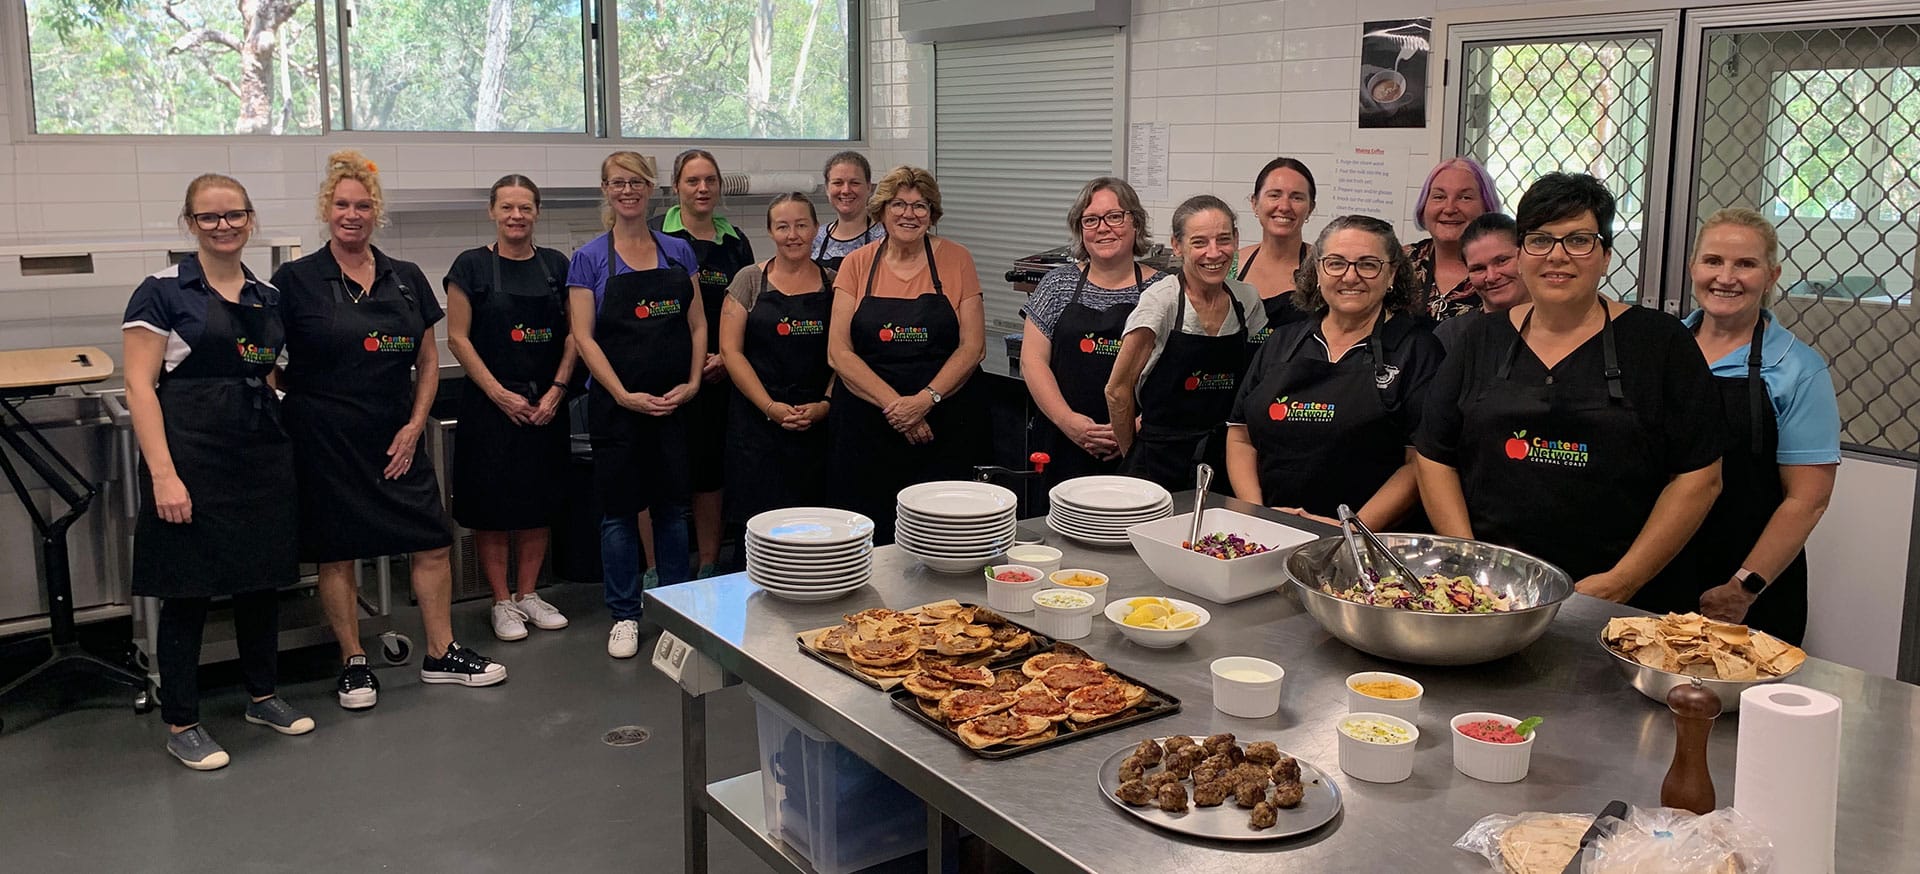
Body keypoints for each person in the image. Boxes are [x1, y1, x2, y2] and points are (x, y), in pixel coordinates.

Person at [1415, 172, 1725, 610]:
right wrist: (1472, 559)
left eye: (1578, 240)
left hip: (1624, 600)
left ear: (1606, 255)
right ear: (1521, 254)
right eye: (1540, 240)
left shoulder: (1660, 342)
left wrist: (1623, 580)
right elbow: (1434, 455)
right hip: (1493, 595)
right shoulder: (1480, 339)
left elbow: (1699, 477)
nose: (1557, 257)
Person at [273, 151, 506, 708]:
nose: (351, 214)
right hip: (327, 439)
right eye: (341, 205)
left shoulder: (405, 279)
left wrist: (414, 424)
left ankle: (441, 651)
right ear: (326, 210)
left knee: (431, 540)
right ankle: (353, 661)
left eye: (361, 206)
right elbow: (262, 353)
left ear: (375, 213)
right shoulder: (296, 280)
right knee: (338, 553)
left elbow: (427, 361)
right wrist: (295, 395)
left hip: (396, 434)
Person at [123, 174, 311, 768]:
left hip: (258, 455)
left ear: (250, 219)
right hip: (191, 456)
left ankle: (263, 696)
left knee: (261, 581)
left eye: (234, 215)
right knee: (189, 592)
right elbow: (139, 385)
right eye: (209, 218)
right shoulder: (162, 291)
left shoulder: (267, 296)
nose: (223, 226)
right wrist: (164, 475)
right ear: (190, 225)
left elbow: (271, 372)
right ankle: (182, 721)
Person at [568, 151, 705, 660]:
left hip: (672, 406)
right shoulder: (589, 259)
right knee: (620, 515)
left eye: (637, 183)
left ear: (652, 190)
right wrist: (623, 394)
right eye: (617, 183)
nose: (628, 191)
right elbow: (583, 337)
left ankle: (678, 610)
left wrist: (691, 383)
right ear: (605, 190)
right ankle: (625, 614)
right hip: (617, 410)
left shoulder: (677, 253)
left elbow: (695, 324)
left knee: (672, 510)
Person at [1681, 208, 1840, 645]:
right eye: (1713, 261)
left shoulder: (1798, 368)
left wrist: (1742, 588)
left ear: (1771, 276)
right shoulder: (1666, 350)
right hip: (1661, 570)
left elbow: (1807, 501)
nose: (1726, 277)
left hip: (1750, 588)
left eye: (1745, 264)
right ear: (1694, 267)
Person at [1225, 215, 1442, 529]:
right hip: (1272, 532)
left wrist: (1351, 531)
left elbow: (1417, 464)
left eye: (1368, 264)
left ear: (1392, 273)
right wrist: (1259, 515)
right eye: (1336, 263)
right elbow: (1240, 436)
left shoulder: (1418, 351)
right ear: (1317, 272)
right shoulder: (1282, 342)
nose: (1350, 277)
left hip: (1366, 544)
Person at [444, 175, 576, 642]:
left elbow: (575, 334)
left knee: (538, 503)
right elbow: (457, 336)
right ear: (492, 212)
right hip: (491, 406)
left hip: (545, 403)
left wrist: (558, 390)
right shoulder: (472, 267)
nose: (516, 216)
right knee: (493, 506)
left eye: (525, 207)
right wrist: (500, 394)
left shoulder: (557, 266)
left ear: (537, 212)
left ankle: (528, 594)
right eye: (507, 207)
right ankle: (500, 600)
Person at [826, 166, 987, 545]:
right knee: (868, 534)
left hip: (946, 423)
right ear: (881, 210)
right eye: (899, 204)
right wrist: (900, 408)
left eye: (920, 206)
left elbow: (972, 346)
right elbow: (838, 352)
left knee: (944, 533)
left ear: (932, 214)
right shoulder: (856, 264)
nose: (909, 214)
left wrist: (925, 400)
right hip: (867, 426)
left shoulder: (957, 259)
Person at [1105, 195, 1268, 493]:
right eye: (1199, 242)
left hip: (1224, 459)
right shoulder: (1161, 302)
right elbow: (1117, 390)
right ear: (1177, 246)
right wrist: (1134, 453)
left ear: (1236, 240)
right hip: (1160, 462)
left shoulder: (1247, 300)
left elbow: (1257, 383)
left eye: (1224, 240)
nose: (1214, 253)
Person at [1020, 177, 1163, 495]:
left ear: (1135, 223)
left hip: (1137, 447)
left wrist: (1132, 427)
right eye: (1091, 220)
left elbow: (1173, 374)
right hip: (1063, 441)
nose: (1103, 228)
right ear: (1080, 229)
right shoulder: (1057, 285)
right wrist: (1069, 422)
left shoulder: (1162, 290)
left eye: (1115, 216)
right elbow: (1032, 362)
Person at [653, 149, 754, 579]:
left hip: (720, 376)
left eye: (710, 180)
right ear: (676, 186)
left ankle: (709, 565)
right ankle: (657, 569)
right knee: (659, 478)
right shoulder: (655, 235)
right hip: (664, 377)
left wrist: (726, 359)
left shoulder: (736, 242)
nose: (702, 189)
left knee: (709, 478)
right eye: (693, 181)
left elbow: (750, 305)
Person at [721, 194, 836, 521]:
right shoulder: (749, 280)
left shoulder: (834, 283)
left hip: (817, 426)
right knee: (760, 525)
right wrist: (769, 407)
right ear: (770, 232)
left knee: (816, 526)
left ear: (816, 228)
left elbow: (844, 352)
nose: (793, 235)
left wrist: (825, 405)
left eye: (801, 225)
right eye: (783, 227)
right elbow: (731, 351)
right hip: (757, 426)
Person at [1405, 157, 1499, 322]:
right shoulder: (1399, 262)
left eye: (1465, 198)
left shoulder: (1505, 271)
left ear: (1487, 207)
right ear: (1423, 206)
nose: (1449, 209)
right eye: (1439, 197)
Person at [1235, 157, 1317, 344]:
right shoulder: (1231, 265)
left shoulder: (1325, 268)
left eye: (1296, 197)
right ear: (1254, 203)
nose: (1284, 206)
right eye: (1274, 195)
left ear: (1310, 208)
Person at [1432, 213, 1528, 353]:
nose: (1491, 277)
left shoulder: (1559, 328)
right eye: (1478, 268)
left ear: (1525, 256)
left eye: (1502, 261)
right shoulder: (1452, 335)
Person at [811, 151, 885, 271]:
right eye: (838, 183)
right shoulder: (815, 237)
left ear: (868, 187)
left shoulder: (886, 238)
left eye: (854, 183)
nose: (846, 190)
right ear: (827, 189)